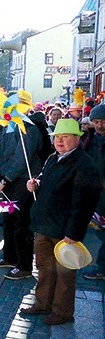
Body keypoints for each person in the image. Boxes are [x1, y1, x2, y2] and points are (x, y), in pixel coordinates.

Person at [22, 119, 99, 325]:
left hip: (64, 230)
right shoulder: (53, 158)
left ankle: (63, 312)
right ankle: (42, 303)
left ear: (77, 139)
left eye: (65, 137)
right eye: (57, 137)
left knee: (65, 275)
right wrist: (36, 183)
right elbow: (45, 179)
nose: (60, 141)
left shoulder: (84, 165)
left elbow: (83, 203)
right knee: (44, 269)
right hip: (44, 225)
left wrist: (74, 233)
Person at [0, 91, 43, 280]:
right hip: (6, 182)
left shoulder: (28, 128)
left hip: (21, 183)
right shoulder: (7, 127)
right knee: (8, 220)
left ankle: (24, 265)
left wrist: (6, 180)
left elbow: (22, 160)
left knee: (22, 224)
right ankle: (10, 256)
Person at [82, 104, 105, 280]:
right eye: (96, 122)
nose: (99, 125)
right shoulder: (93, 139)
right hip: (96, 192)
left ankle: (102, 268)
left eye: (103, 121)